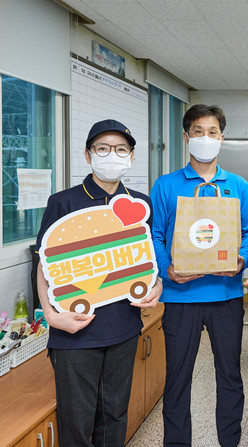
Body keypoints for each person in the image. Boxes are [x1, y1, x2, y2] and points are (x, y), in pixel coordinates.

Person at [35, 119, 163, 446]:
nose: (112, 155)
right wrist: (50, 315)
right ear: (88, 154)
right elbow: (44, 266)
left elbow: (146, 262)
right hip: (75, 332)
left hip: (123, 328)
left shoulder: (140, 204)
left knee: (114, 416)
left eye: (120, 149)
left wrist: (156, 287)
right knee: (77, 422)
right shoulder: (63, 202)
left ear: (131, 156)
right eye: (103, 148)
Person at [150, 104, 248, 447]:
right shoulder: (166, 186)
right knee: (177, 379)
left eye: (212, 132)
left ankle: (230, 441)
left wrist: (242, 259)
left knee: (230, 375)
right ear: (186, 137)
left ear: (221, 138)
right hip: (181, 297)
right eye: (198, 132)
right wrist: (167, 270)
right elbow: (155, 235)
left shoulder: (238, 185)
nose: (205, 138)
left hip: (226, 294)